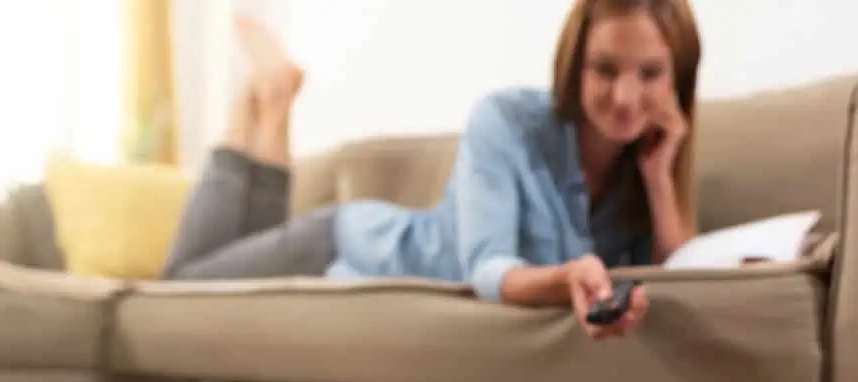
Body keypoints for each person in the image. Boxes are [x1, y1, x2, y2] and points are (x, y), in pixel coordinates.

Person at [162, 0, 701, 339]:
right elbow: (487, 269)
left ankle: (273, 97)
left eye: (650, 74)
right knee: (175, 291)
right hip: (348, 245)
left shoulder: (645, 169)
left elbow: (687, 279)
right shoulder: (507, 120)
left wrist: (659, 178)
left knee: (225, 261)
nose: (627, 97)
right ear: (574, 63)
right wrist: (565, 280)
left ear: (676, 78)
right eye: (605, 69)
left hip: (350, 244)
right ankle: (257, 101)